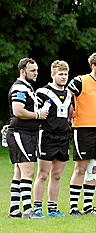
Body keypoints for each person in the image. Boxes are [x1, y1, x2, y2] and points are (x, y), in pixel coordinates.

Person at [66, 52, 96, 215]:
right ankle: (73, 207)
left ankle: (88, 206)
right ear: (93, 66)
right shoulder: (80, 81)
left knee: (93, 169)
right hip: (83, 129)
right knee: (80, 168)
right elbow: (65, 96)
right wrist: (69, 112)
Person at [6, 57, 47, 218]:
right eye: (32, 70)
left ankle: (14, 210)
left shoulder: (27, 87)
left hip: (26, 133)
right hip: (21, 133)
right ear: (23, 71)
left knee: (19, 172)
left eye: (36, 70)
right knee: (28, 172)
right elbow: (17, 110)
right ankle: (29, 210)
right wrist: (38, 114)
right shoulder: (19, 88)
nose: (36, 73)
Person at [33, 60, 72, 217]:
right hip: (46, 137)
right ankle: (37, 208)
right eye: (60, 74)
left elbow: (70, 113)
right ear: (52, 74)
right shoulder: (42, 92)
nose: (63, 77)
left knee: (57, 175)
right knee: (43, 174)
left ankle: (53, 209)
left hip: (63, 137)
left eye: (65, 74)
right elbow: (36, 114)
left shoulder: (69, 93)